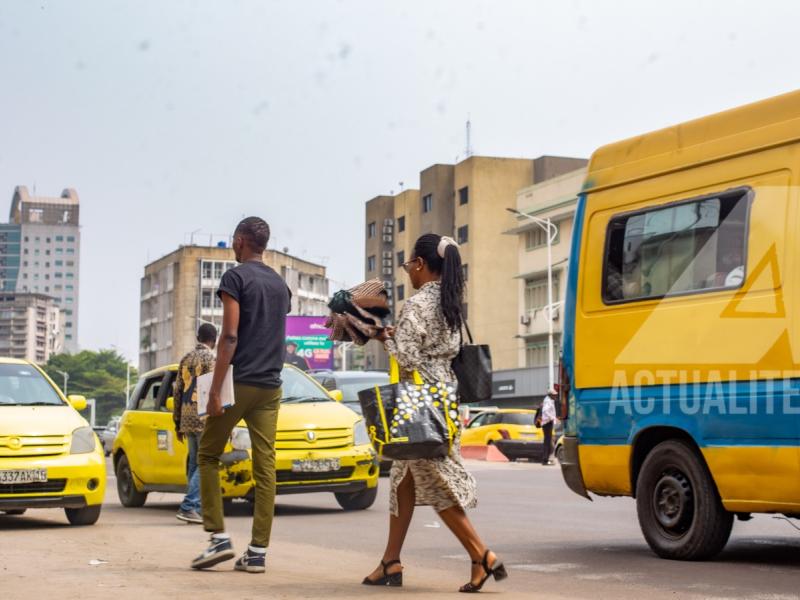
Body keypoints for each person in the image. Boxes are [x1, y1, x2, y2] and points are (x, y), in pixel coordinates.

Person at [363, 233, 508, 593]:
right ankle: (390, 561)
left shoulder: (416, 305)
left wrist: (384, 337)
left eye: (408, 265)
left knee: (434, 482)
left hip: (419, 402)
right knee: (403, 480)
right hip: (445, 396)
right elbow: (435, 348)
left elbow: (408, 357)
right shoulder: (450, 303)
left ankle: (482, 555)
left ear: (420, 265)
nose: (408, 272)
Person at [191, 216, 291, 574]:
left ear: (240, 240)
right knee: (266, 466)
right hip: (271, 386)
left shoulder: (235, 277)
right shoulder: (280, 284)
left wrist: (215, 390)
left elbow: (230, 335)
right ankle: (257, 552)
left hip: (240, 382)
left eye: (234, 241)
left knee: (207, 455)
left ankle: (217, 539)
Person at [173, 323, 217, 524]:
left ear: (198, 337)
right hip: (204, 417)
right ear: (214, 340)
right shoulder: (211, 358)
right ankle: (188, 505)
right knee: (205, 462)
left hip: (187, 417)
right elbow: (215, 390)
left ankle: (196, 509)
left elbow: (177, 391)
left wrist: (177, 422)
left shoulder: (185, 358)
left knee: (194, 462)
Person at [537, 388, 557, 466]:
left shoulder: (548, 400)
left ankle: (546, 459)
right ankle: (545, 460)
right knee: (547, 442)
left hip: (546, 423)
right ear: (550, 395)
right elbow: (545, 411)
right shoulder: (548, 401)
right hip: (547, 423)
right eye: (554, 395)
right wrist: (552, 418)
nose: (555, 396)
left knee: (547, 442)